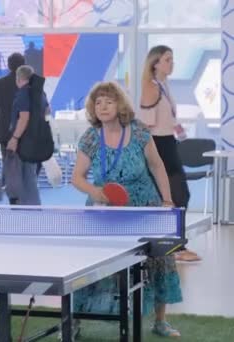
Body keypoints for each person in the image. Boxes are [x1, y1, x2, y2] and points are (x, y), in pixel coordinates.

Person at [70, 82, 183, 338]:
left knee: (159, 262)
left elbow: (156, 166)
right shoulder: (90, 137)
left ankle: (160, 321)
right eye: (98, 102)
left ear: (119, 104)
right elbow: (77, 177)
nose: (103, 106)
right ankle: (74, 321)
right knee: (89, 267)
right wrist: (93, 191)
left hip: (145, 207)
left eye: (108, 101)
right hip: (104, 212)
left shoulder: (139, 131)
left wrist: (167, 200)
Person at [140, 45, 201, 262]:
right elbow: (147, 124)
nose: (171, 63)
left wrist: (179, 130)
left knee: (179, 196)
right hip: (159, 145)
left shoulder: (164, 85)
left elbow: (168, 117)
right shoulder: (151, 86)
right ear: (155, 63)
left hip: (169, 142)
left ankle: (176, 246)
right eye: (167, 59)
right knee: (176, 196)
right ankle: (174, 248)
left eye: (172, 59)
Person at [0, 53, 25, 204]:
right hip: (26, 133)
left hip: (4, 134)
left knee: (9, 165)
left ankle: (14, 198)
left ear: (8, 66)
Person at [4, 65, 41, 205]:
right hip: (34, 140)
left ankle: (26, 206)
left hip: (23, 141)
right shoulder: (38, 93)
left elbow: (24, 117)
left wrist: (14, 138)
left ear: (18, 78)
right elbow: (47, 111)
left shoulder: (23, 94)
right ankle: (32, 206)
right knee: (29, 176)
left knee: (21, 176)